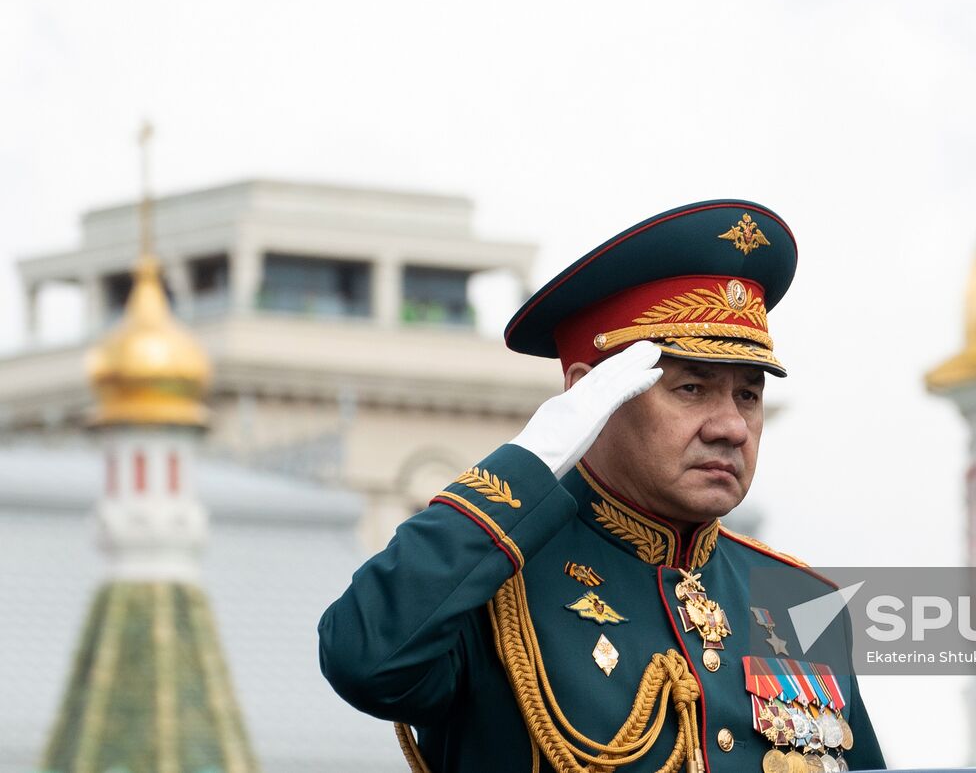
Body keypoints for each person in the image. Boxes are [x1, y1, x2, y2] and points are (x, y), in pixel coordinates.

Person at [319, 200, 886, 773]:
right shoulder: (491, 582)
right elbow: (364, 657)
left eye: (748, 395)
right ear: (590, 397)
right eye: (691, 388)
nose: (732, 427)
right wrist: (534, 460)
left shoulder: (797, 602)